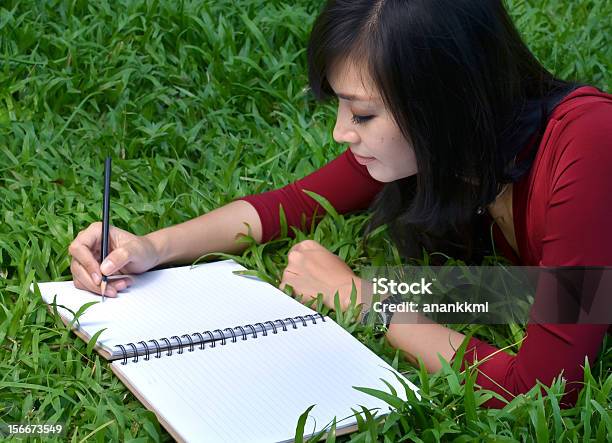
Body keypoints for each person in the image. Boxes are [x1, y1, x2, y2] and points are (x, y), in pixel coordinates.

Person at [68, 0, 611, 409]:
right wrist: (152, 247)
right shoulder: (456, 148)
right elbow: (292, 204)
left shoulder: (590, 147)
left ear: (445, 102)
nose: (339, 133)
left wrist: (362, 299)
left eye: (363, 114)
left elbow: (546, 389)